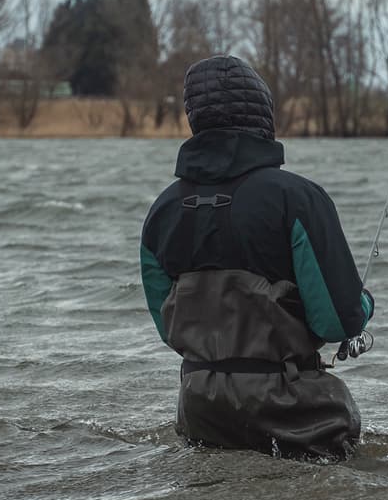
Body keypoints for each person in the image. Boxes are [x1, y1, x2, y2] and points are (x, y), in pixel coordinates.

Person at [139, 54, 374, 459]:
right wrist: (364, 304)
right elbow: (337, 320)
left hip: (199, 410)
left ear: (194, 117)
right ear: (262, 114)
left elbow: (168, 329)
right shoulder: (298, 198)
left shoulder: (161, 213)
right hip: (294, 414)